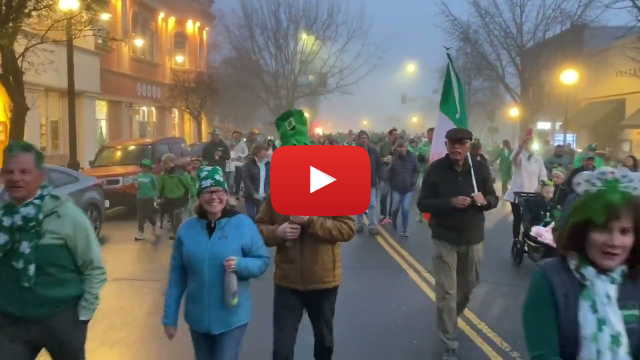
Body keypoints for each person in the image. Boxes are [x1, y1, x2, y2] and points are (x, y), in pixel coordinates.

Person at [256, 109, 356, 360]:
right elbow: (259, 229)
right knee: (281, 350)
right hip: (287, 282)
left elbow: (347, 228)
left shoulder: (331, 186)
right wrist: (277, 232)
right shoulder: (276, 192)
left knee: (324, 344)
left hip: (323, 282)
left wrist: (312, 221)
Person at [0, 141, 107, 360]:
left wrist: (82, 316)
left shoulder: (67, 216)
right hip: (12, 324)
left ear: (40, 176)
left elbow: (93, 268)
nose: (15, 177)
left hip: (61, 320)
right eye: (9, 171)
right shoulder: (3, 218)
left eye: (24, 171)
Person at [522, 166, 640, 360]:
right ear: (581, 230)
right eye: (602, 229)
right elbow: (544, 354)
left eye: (625, 231)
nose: (614, 242)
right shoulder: (549, 280)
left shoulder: (635, 279)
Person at [162, 166, 270, 360]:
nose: (213, 197)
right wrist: (170, 317)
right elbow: (177, 276)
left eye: (218, 191)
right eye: (207, 192)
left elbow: (262, 261)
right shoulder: (187, 229)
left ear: (226, 194)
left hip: (232, 316)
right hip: (198, 318)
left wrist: (240, 265)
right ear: (199, 196)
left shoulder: (242, 224)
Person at [417, 128, 499, 360]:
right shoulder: (436, 170)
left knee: (467, 287)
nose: (456, 147)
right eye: (452, 143)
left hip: (473, 238)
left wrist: (486, 201)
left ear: (468, 146)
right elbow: (423, 203)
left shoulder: (479, 168)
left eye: (461, 143)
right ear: (446, 145)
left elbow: (493, 197)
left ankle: (450, 317)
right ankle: (449, 341)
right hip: (444, 239)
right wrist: (450, 202)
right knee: (446, 292)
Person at [504, 133, 547, 244]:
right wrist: (521, 146)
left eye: (531, 143)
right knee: (517, 219)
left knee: (530, 220)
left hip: (532, 195)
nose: (529, 145)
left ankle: (527, 239)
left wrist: (543, 185)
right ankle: (516, 240)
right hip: (517, 193)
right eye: (528, 143)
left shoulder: (538, 159)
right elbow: (514, 159)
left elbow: (543, 175)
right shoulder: (519, 155)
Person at [387, 140, 419, 236]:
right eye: (399, 147)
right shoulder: (394, 159)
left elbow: (416, 170)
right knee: (395, 208)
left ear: (406, 147)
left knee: (405, 208)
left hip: (408, 188)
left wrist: (414, 180)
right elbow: (390, 172)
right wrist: (387, 181)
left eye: (403, 147)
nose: (401, 149)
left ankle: (404, 229)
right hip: (397, 188)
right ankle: (394, 220)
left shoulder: (412, 157)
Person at [158, 153, 195, 238]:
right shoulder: (164, 174)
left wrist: (193, 194)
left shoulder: (181, 174)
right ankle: (176, 233)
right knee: (172, 218)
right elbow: (160, 186)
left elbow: (189, 185)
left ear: (173, 163)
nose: (165, 166)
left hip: (180, 198)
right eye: (163, 163)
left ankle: (178, 233)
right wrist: (158, 195)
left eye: (167, 163)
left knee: (177, 217)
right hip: (169, 199)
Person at [355, 130, 385, 235]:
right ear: (359, 140)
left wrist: (381, 179)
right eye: (362, 138)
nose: (364, 140)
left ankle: (372, 225)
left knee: (372, 204)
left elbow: (379, 166)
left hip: (371, 182)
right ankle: (360, 223)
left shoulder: (374, 151)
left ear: (368, 139)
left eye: (365, 138)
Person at [242, 143, 270, 221]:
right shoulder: (249, 164)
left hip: (264, 196)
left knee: (260, 216)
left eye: (266, 151)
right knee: (250, 215)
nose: (266, 152)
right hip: (250, 195)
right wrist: (253, 193)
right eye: (263, 150)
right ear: (257, 152)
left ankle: (257, 231)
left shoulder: (268, 164)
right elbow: (246, 179)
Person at [378, 127, 399, 223]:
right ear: (389, 135)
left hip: (396, 174)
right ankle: (383, 214)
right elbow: (377, 158)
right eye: (394, 135)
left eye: (397, 135)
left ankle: (391, 215)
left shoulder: (400, 145)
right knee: (384, 194)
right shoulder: (383, 146)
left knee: (394, 196)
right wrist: (384, 159)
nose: (396, 136)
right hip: (385, 173)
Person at [135, 158, 158, 240]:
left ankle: (154, 223)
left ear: (148, 168)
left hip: (149, 197)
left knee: (148, 213)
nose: (143, 168)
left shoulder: (152, 177)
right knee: (140, 216)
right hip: (140, 197)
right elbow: (137, 186)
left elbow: (156, 187)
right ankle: (140, 233)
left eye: (145, 167)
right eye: (142, 166)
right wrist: (136, 184)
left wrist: (155, 196)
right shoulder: (139, 176)